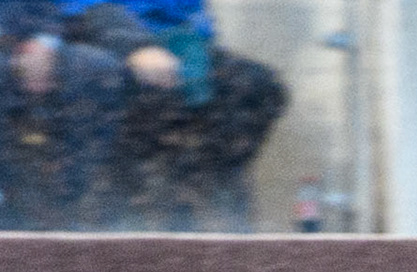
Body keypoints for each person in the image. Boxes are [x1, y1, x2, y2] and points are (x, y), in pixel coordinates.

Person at [56, 0, 285, 228]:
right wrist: (135, 45)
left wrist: (190, 41)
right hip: (100, 34)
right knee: (135, 87)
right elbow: (78, 9)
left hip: (174, 41)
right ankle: (118, 206)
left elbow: (194, 16)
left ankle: (205, 185)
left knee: (258, 86)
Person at [0, 4, 125, 227]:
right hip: (9, 53)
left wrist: (40, 43)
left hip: (45, 44)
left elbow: (44, 13)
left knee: (97, 68)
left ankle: (74, 199)